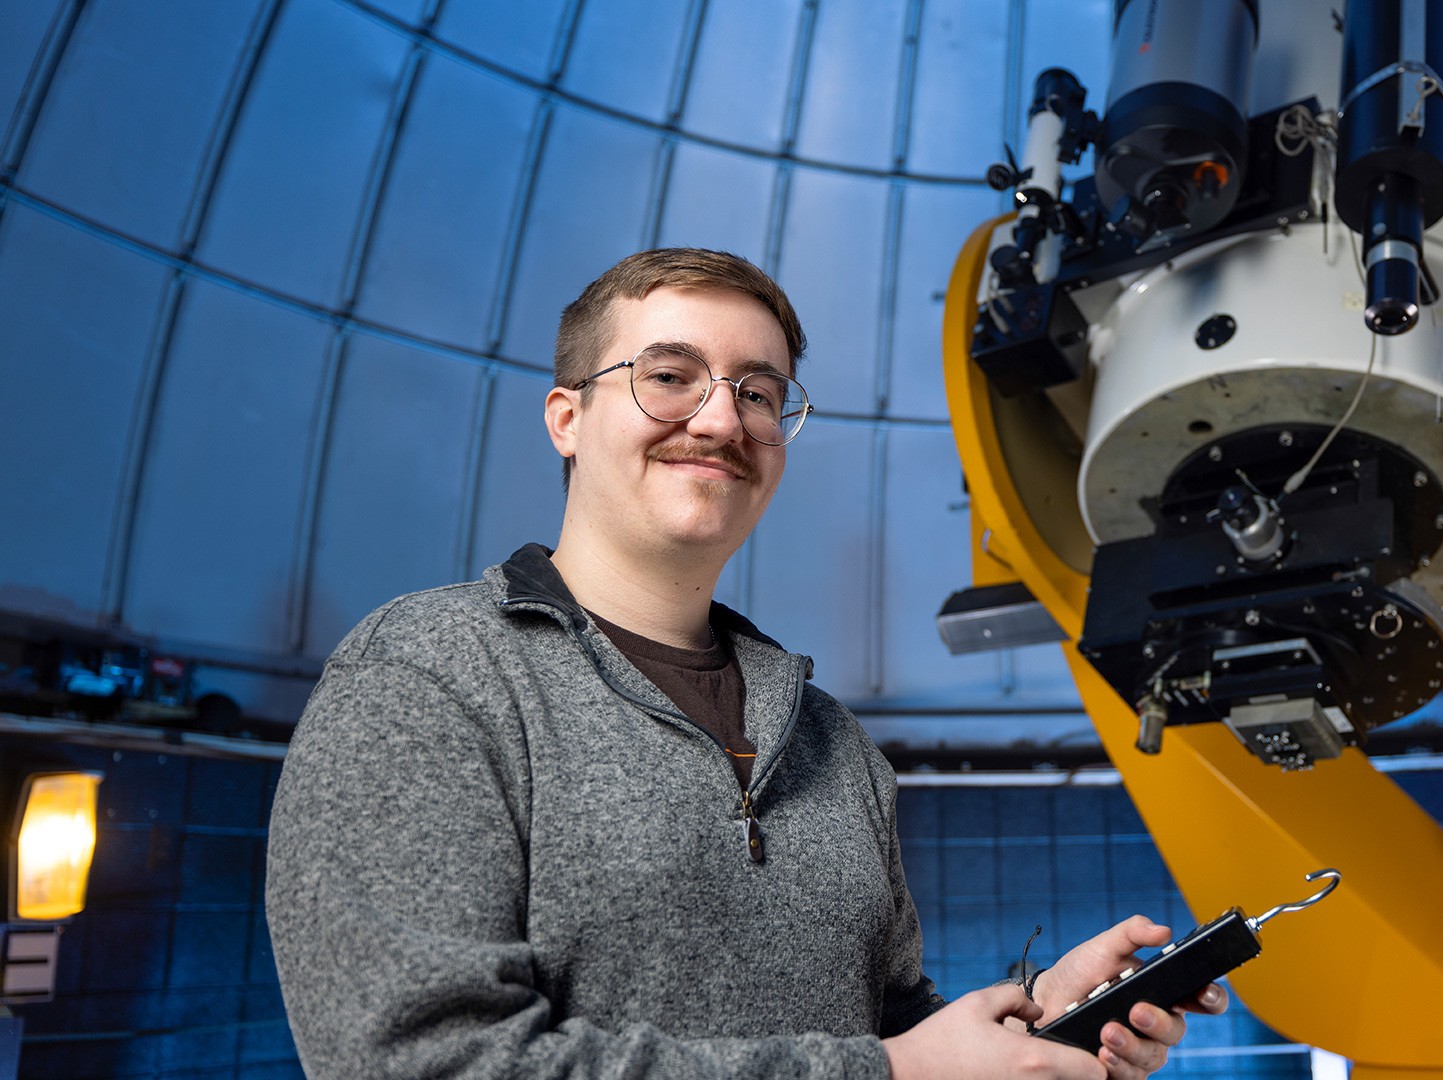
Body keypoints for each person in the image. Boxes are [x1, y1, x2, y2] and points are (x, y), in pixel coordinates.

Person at [265, 249, 1226, 1080]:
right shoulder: (428, 674)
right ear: (566, 417)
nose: (723, 421)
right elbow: (423, 1063)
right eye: (670, 376)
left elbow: (876, 1029)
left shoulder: (829, 739)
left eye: (758, 392)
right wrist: (888, 1070)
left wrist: (1033, 1023)